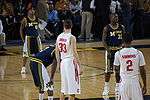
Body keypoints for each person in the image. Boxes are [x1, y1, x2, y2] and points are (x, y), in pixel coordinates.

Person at [114, 33, 147, 100]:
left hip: (124, 83)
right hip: (135, 83)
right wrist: (145, 85)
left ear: (122, 40)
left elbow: (116, 70)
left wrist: (118, 85)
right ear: (132, 40)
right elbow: (142, 70)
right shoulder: (138, 53)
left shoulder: (118, 53)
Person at [55, 19, 82, 100]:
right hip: (70, 62)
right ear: (71, 26)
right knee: (72, 91)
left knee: (63, 90)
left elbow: (56, 51)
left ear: (64, 26)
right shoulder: (72, 37)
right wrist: (80, 66)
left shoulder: (59, 36)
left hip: (63, 62)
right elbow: (75, 53)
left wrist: (59, 64)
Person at [102, 13, 125, 99]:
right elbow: (103, 41)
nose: (116, 18)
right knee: (108, 71)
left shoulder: (122, 27)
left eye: (117, 17)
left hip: (119, 51)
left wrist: (122, 46)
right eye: (114, 17)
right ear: (110, 18)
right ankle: (106, 87)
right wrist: (108, 50)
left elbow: (124, 38)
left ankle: (118, 87)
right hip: (110, 50)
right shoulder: (106, 28)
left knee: (118, 70)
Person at [20, 3, 43, 74]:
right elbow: (21, 30)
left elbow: (42, 26)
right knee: (25, 54)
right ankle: (23, 68)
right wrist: (23, 39)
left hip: (36, 38)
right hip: (28, 38)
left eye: (34, 10)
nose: (33, 11)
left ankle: (39, 66)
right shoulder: (25, 19)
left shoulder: (37, 18)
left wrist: (48, 33)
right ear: (28, 11)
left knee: (39, 53)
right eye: (31, 10)